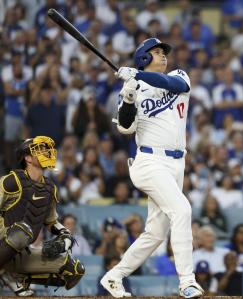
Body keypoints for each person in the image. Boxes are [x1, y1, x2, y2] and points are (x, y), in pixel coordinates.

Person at [100, 38, 204, 298]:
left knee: (156, 233)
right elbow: (125, 127)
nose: (163, 56)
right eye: (156, 53)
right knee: (182, 210)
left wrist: (137, 76)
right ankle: (187, 282)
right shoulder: (133, 87)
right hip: (149, 162)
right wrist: (129, 97)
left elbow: (174, 84)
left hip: (176, 163)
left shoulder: (178, 76)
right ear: (144, 58)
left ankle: (114, 276)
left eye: (163, 52)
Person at [0, 136, 85, 295]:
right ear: (27, 158)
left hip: (21, 250)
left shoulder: (49, 187)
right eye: (39, 150)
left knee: (74, 270)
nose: (46, 152)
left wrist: (65, 233)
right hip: (4, 238)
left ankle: (14, 275)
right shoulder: (12, 180)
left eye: (46, 149)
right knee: (22, 232)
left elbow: (51, 221)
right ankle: (6, 273)